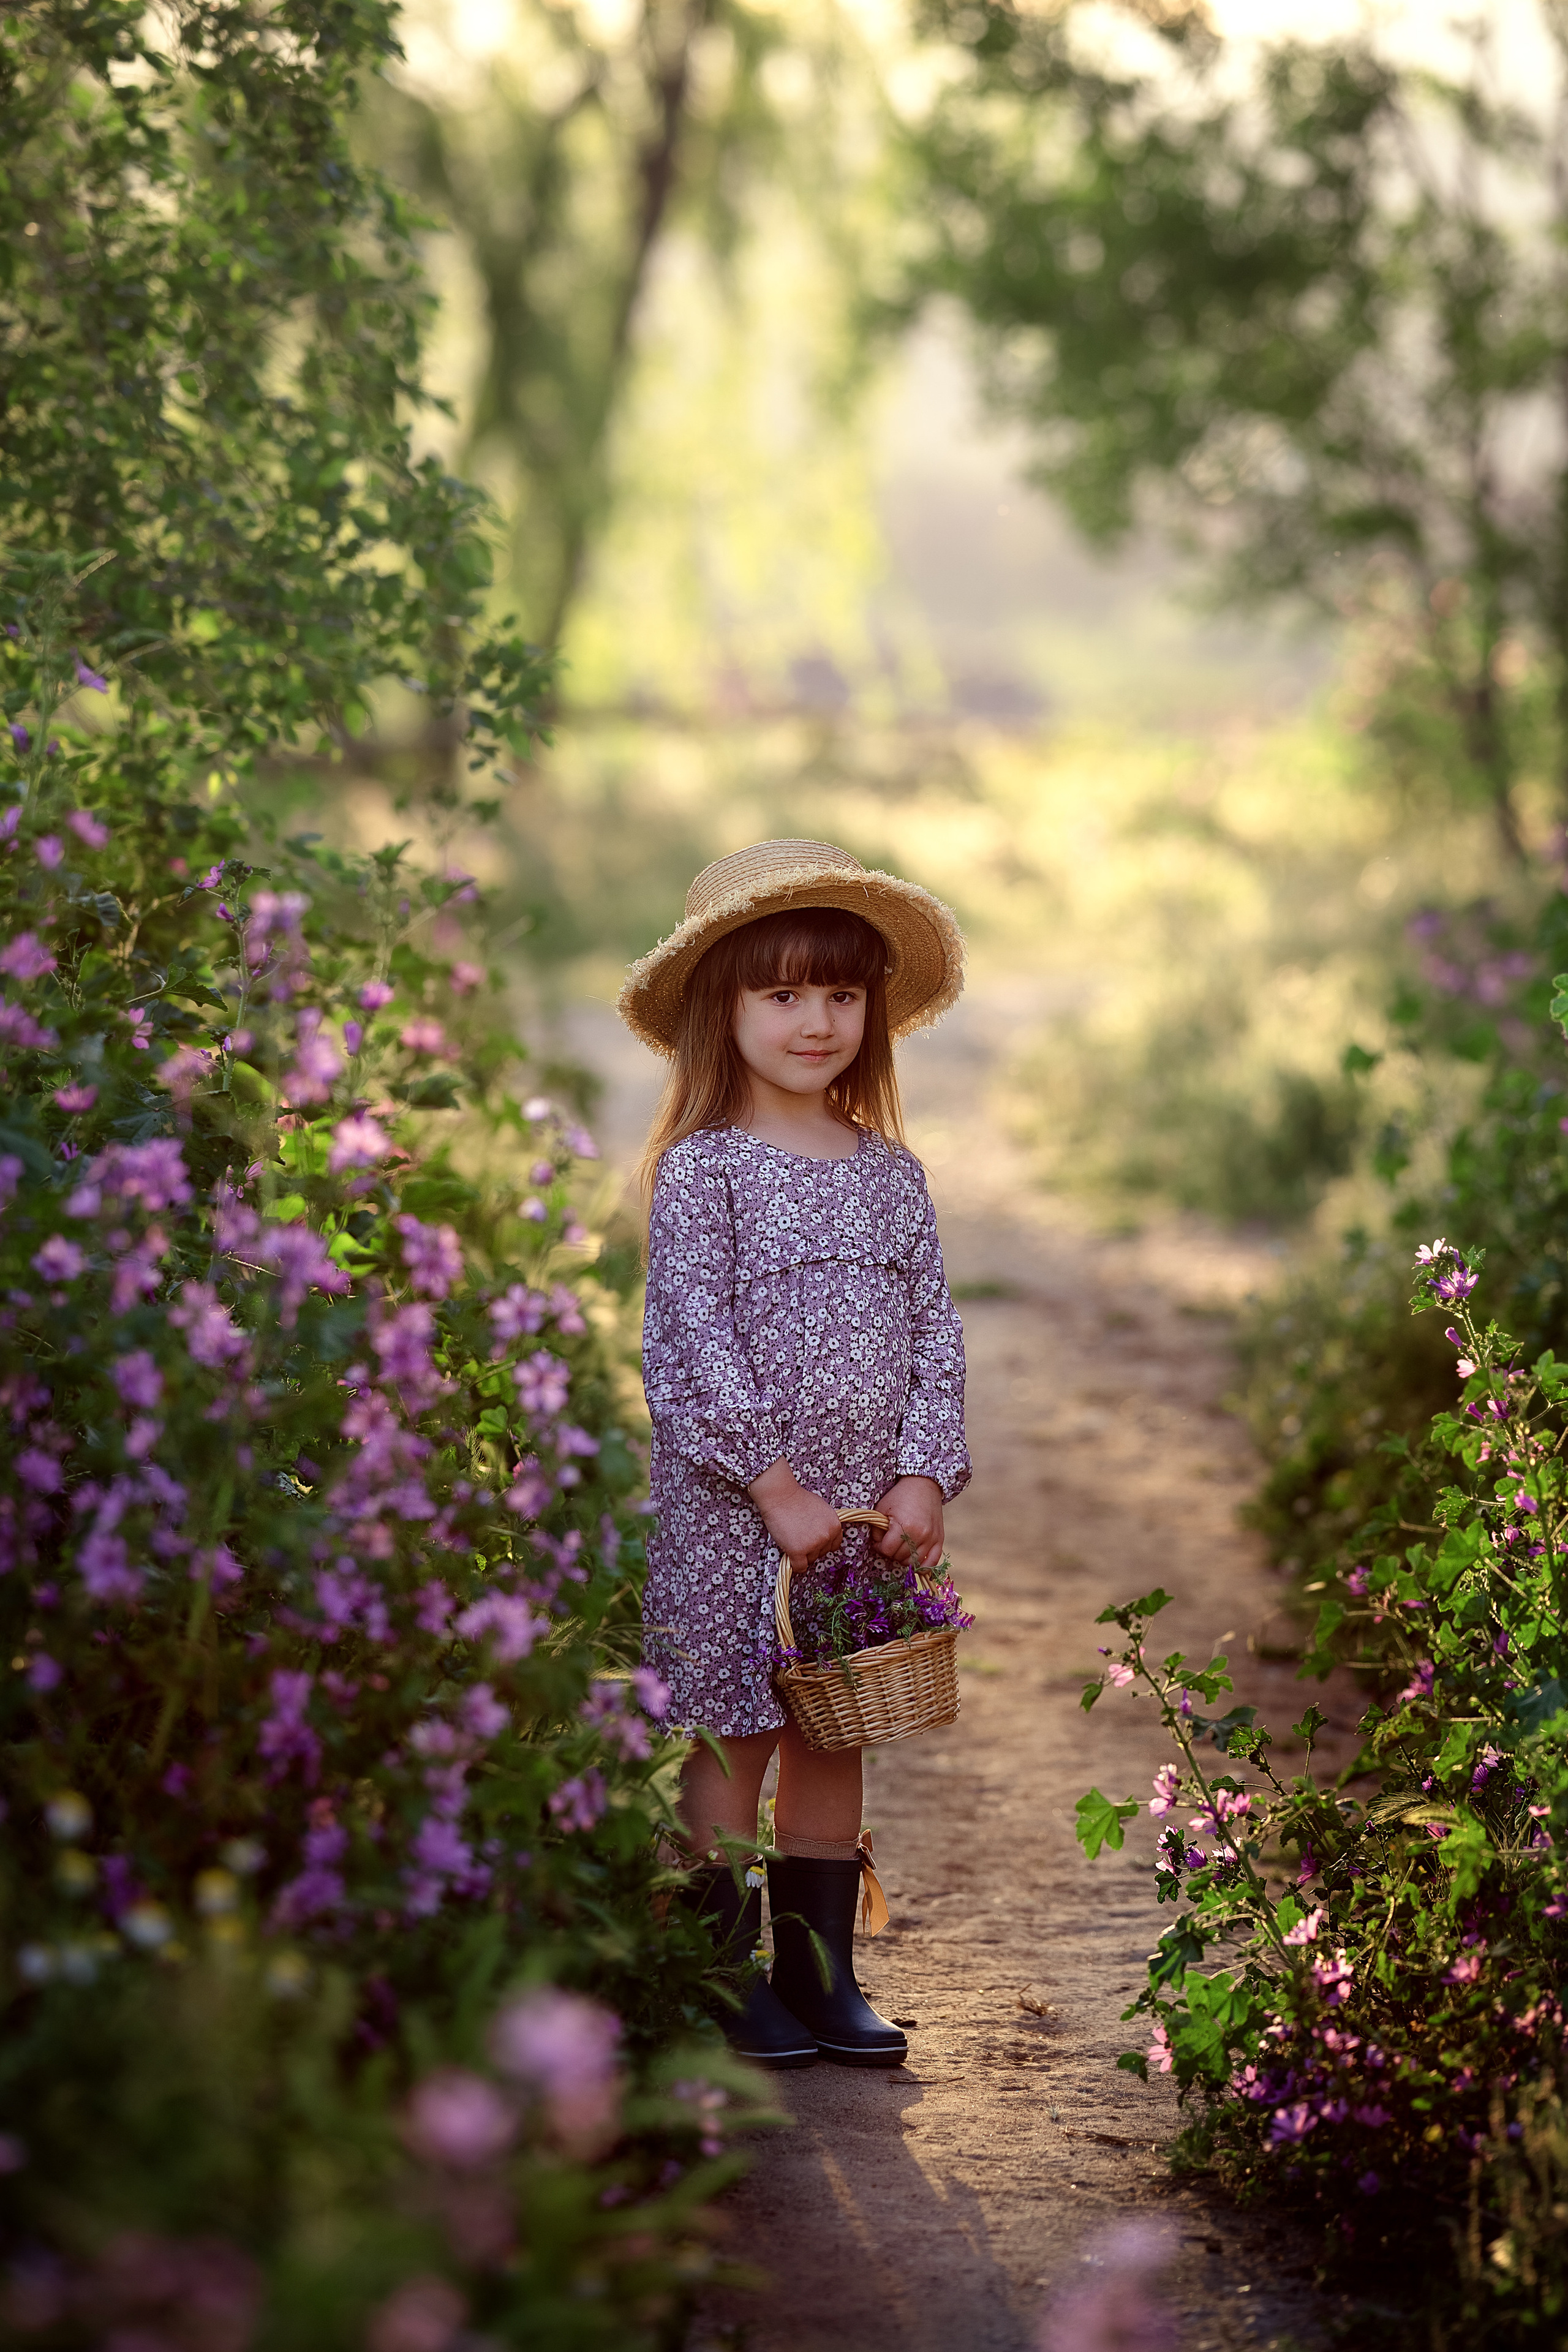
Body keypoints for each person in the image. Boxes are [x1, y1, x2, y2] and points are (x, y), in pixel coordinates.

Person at [616, 837, 971, 2069]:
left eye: (838, 993)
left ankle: (821, 1974)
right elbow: (688, 1343)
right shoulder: (703, 1171)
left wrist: (920, 1470)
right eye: (781, 994)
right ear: (724, 1007)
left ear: (871, 1010)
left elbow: (934, 1326)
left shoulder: (892, 1176)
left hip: (857, 1522)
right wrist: (771, 1485)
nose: (813, 1021)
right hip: (736, 1515)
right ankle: (719, 1979)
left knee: (833, 1730)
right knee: (735, 1734)